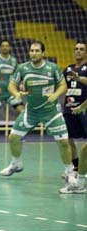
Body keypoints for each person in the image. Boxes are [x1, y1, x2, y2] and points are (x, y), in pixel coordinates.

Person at [0, 41, 74, 183]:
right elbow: (11, 85)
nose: (33, 53)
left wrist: (55, 95)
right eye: (31, 50)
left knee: (64, 142)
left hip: (51, 111)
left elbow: (63, 85)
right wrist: (16, 94)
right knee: (13, 137)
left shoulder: (52, 68)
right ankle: (16, 163)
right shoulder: (22, 68)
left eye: (36, 51)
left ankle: (69, 172)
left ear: (43, 53)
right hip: (31, 111)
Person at [62, 42, 87, 174]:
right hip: (69, 108)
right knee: (67, 138)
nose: (78, 51)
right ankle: (76, 167)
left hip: (84, 108)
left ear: (86, 52)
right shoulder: (68, 69)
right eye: (76, 49)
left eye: (81, 49)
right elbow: (60, 86)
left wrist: (79, 78)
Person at [59, 93, 87, 193]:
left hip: (81, 108)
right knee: (84, 150)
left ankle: (80, 184)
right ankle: (79, 183)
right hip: (72, 108)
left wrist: (82, 106)